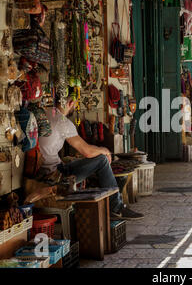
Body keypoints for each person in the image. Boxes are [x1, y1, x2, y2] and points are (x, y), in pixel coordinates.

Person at [38, 92, 144, 220]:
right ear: (71, 103)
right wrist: (104, 150)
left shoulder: (45, 113)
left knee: (81, 161)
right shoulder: (62, 122)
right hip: (54, 175)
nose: (75, 108)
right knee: (102, 161)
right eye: (75, 105)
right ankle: (116, 207)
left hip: (42, 170)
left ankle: (107, 205)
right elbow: (87, 151)